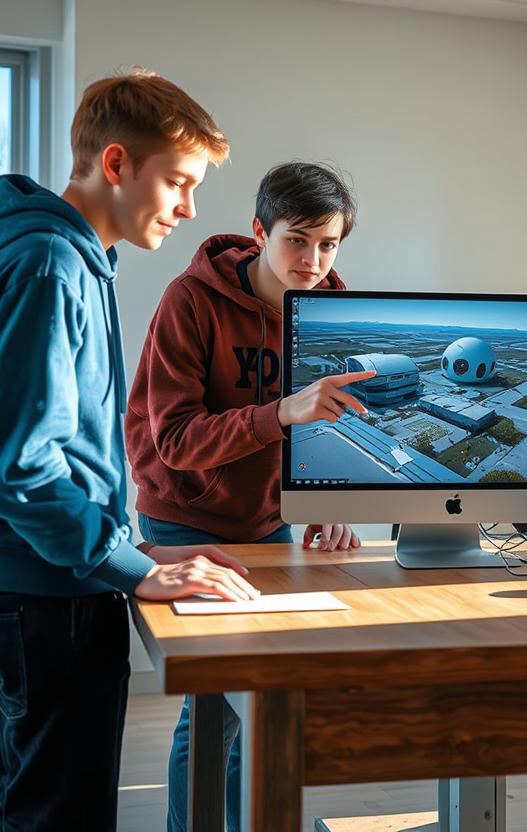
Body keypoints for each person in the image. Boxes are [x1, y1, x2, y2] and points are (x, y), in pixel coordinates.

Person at [0, 69, 256, 831]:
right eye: (177, 182)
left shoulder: (64, 260)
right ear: (116, 165)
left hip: (35, 587)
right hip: (41, 599)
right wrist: (131, 568)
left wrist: (126, 544)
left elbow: (57, 453)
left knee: (28, 808)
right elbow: (23, 468)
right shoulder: (49, 266)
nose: (189, 208)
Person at [126, 160, 373, 832]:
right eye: (298, 240)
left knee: (258, 699)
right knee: (212, 704)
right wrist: (280, 414)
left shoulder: (329, 307)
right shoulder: (191, 300)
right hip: (182, 519)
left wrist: (327, 500)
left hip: (267, 521)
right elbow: (173, 440)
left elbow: (327, 417)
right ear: (260, 231)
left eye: (328, 244)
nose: (313, 260)